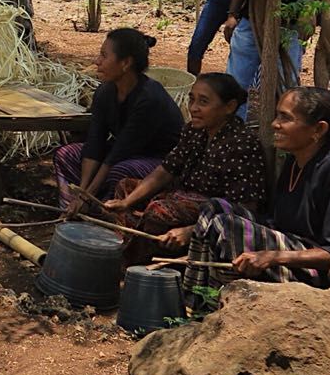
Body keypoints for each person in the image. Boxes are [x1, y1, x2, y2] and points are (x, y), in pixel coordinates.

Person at [182, 86, 330, 297]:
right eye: (277, 115)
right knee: (214, 207)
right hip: (288, 247)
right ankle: (192, 297)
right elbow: (276, 223)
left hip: (316, 271)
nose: (275, 124)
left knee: (228, 226)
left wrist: (272, 256)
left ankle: (219, 303)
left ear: (318, 130)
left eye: (285, 118)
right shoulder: (294, 161)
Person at [102, 73, 266, 264]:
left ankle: (130, 261)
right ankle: (122, 247)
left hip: (214, 214)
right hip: (181, 197)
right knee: (125, 186)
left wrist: (192, 230)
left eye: (203, 102)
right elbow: (165, 171)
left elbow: (246, 209)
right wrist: (127, 202)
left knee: (159, 210)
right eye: (192, 99)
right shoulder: (195, 131)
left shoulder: (243, 144)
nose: (194, 108)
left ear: (229, 107)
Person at [55, 28, 184, 209]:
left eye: (104, 56)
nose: (97, 61)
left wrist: (87, 196)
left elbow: (119, 152)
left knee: (120, 171)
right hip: (124, 154)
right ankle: (70, 210)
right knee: (66, 154)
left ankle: (101, 215)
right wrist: (82, 191)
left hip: (161, 163)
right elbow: (95, 141)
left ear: (125, 63)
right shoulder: (105, 91)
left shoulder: (149, 98)